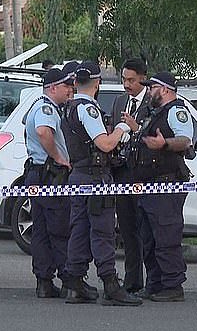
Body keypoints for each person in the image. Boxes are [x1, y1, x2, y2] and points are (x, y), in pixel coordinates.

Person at [61, 61, 142, 306]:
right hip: (95, 177)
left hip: (78, 175)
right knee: (102, 231)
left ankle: (74, 282)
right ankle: (110, 284)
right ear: (97, 83)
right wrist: (120, 128)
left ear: (75, 83)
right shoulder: (88, 109)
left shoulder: (69, 107)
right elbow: (105, 144)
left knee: (79, 229)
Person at [125, 71, 193, 302]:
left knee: (166, 236)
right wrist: (136, 129)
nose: (149, 90)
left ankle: (173, 285)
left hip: (166, 185)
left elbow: (185, 140)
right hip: (149, 186)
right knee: (149, 238)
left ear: (164, 90)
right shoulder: (155, 113)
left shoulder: (176, 111)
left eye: (152, 87)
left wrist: (165, 144)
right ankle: (155, 284)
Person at [23, 68, 75, 298]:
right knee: (58, 227)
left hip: (37, 173)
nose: (70, 90)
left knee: (41, 230)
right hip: (50, 175)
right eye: (66, 86)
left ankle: (44, 281)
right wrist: (59, 157)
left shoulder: (38, 105)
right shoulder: (46, 108)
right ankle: (68, 280)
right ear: (53, 87)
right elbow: (43, 132)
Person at [110, 58, 151, 293]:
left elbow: (153, 136)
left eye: (131, 80)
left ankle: (151, 280)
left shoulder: (151, 102)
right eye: (124, 79)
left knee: (145, 228)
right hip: (122, 172)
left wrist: (136, 128)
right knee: (127, 229)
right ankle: (132, 279)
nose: (127, 84)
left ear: (142, 78)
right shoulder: (118, 102)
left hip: (144, 174)